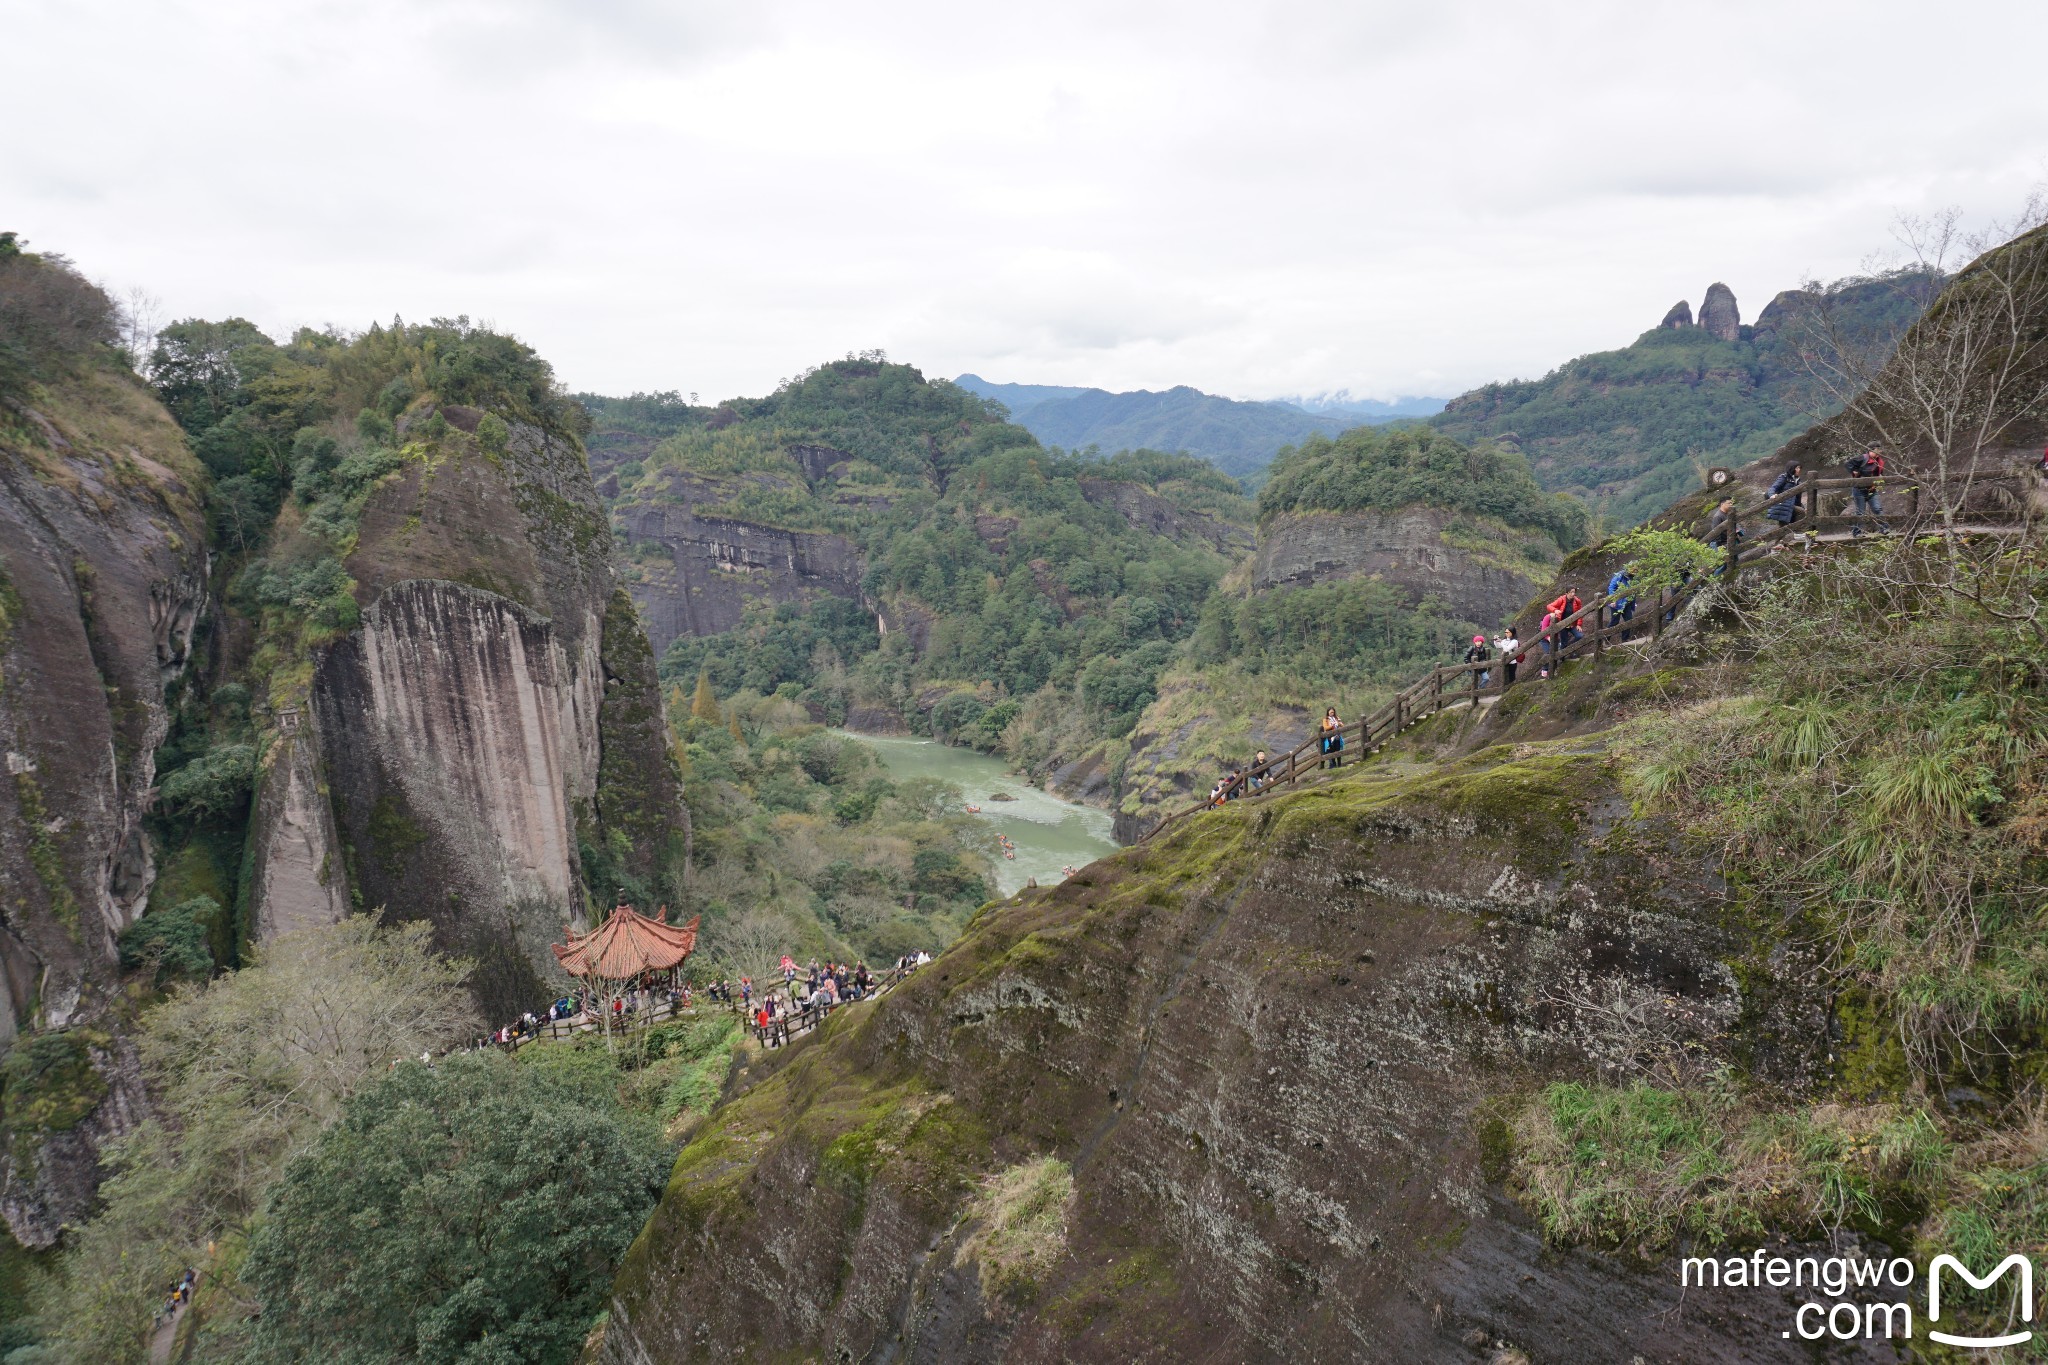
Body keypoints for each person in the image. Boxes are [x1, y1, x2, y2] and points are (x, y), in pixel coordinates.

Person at [1845, 448, 1889, 535]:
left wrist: (1877, 483)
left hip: (1872, 489)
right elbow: (1848, 464)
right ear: (1870, 451)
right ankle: (1857, 533)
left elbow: (1879, 473)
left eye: (1879, 451)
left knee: (1877, 509)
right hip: (1859, 489)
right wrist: (1854, 471)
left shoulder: (1879, 461)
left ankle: (1884, 529)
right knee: (1860, 512)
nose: (1878, 453)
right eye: (1876, 451)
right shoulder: (1862, 458)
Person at [1766, 463, 1803, 527]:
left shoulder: (1797, 480)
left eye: (1799, 468)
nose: (1799, 469)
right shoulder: (1784, 477)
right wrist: (1772, 495)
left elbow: (1797, 496)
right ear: (1792, 468)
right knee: (1784, 526)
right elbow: (1773, 488)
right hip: (1784, 505)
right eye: (1797, 468)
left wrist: (1801, 505)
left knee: (1789, 525)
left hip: (1792, 505)